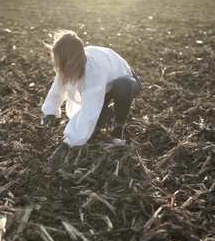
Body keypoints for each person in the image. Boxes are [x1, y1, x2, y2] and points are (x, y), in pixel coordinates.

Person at [41, 30, 141, 173]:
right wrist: (50, 112)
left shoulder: (95, 72)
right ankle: (106, 113)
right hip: (106, 86)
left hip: (127, 82)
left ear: (70, 60)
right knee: (93, 131)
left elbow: (89, 112)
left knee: (122, 86)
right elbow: (58, 87)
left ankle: (118, 128)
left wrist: (66, 144)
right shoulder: (67, 63)